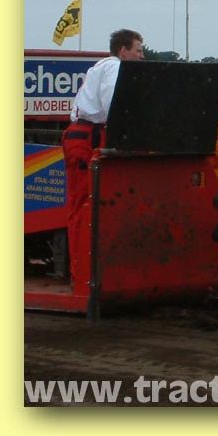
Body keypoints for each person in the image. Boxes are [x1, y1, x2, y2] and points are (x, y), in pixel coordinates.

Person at [62, 28, 145, 280]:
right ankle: (82, 273)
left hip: (87, 135)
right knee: (84, 203)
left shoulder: (102, 67)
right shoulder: (114, 67)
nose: (142, 56)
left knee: (86, 203)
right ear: (123, 51)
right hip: (86, 138)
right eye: (138, 50)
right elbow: (113, 107)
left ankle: (85, 271)